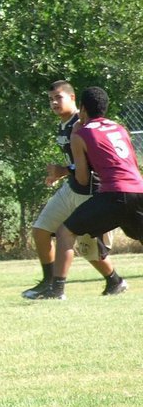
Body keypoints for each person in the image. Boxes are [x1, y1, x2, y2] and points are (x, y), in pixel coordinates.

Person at [22, 81, 126, 299]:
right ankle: (49, 282)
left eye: (58, 97)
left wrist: (63, 170)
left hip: (90, 191)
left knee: (90, 250)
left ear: (73, 98)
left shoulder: (81, 123)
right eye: (50, 99)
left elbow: (90, 164)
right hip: (71, 189)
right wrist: (60, 173)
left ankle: (115, 281)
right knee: (41, 229)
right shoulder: (64, 124)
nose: (53, 102)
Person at [50, 86, 143, 300]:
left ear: (81, 108)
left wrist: (75, 136)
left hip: (114, 194)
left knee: (65, 232)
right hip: (138, 189)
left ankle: (56, 291)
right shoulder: (120, 128)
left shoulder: (81, 133)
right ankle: (113, 282)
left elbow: (82, 178)